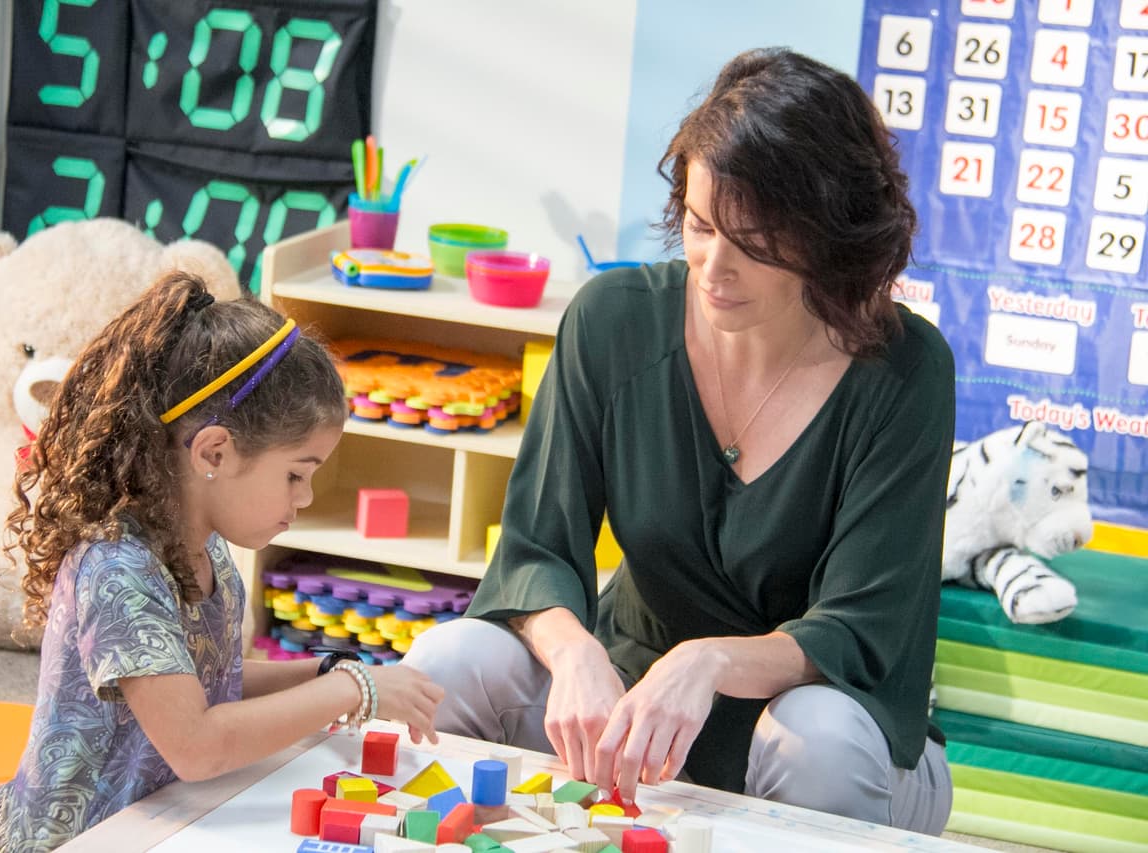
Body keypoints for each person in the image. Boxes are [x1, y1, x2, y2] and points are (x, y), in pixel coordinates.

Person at [405, 47, 955, 834]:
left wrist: (708, 660)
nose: (713, 266)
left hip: (842, 733)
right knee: (449, 663)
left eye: (755, 241)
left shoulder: (906, 371)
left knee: (818, 740)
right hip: (637, 712)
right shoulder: (612, 322)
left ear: (829, 236)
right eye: (699, 225)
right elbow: (534, 553)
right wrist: (577, 655)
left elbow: (861, 629)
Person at [0, 273, 444, 852]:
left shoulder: (204, 545)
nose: (306, 498)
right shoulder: (118, 571)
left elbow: (206, 684)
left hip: (156, 825)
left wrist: (329, 673)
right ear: (214, 452)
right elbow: (198, 744)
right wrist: (355, 690)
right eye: (297, 473)